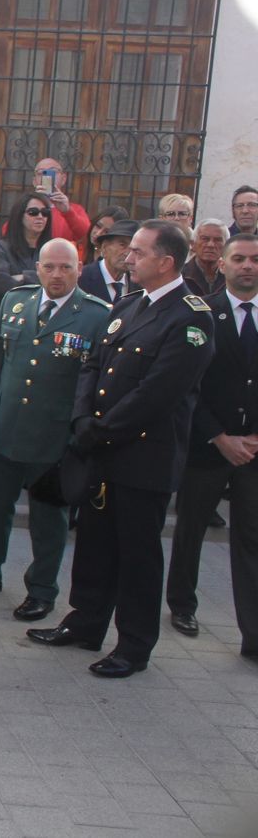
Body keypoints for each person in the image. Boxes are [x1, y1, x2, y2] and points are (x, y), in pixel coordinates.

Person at [29, 220, 214, 678]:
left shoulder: (191, 317)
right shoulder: (130, 304)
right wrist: (82, 419)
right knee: (95, 544)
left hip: (142, 456)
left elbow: (159, 392)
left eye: (137, 252)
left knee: (137, 554)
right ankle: (86, 622)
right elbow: (94, 364)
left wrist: (102, 429)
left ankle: (134, 643)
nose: (127, 259)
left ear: (166, 262)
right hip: (102, 447)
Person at [0, 238, 109, 621]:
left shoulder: (97, 316)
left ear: (79, 269)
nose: (56, 275)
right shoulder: (17, 301)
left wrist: (81, 438)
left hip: (54, 438)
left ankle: (42, 589)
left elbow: (96, 383)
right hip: (5, 427)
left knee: (49, 520)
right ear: (38, 268)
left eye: (65, 267)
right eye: (49, 266)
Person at [166, 233, 258, 655]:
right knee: (191, 530)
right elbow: (189, 385)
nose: (247, 266)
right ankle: (182, 603)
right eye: (238, 259)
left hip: (255, 452)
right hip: (208, 446)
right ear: (221, 264)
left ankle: (253, 635)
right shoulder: (203, 314)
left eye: (255, 260)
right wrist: (219, 436)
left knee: (251, 539)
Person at [0, 192, 54, 303]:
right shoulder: (1, 248)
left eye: (45, 212)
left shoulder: (52, 250)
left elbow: (57, 282)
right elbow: (0, 284)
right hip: (10, 311)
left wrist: (23, 277)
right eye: (33, 212)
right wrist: (39, 277)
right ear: (19, 215)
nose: (40, 217)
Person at [31, 157, 90, 257]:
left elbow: (86, 235)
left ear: (63, 179)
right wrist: (33, 205)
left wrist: (67, 212)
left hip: (62, 262)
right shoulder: (26, 208)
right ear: (35, 181)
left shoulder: (75, 210)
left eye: (53, 172)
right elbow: (9, 232)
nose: (47, 177)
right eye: (41, 173)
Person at [79, 218, 136, 304]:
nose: (127, 253)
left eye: (133, 248)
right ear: (104, 248)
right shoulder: (81, 277)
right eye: (122, 245)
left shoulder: (137, 284)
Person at [182, 218, 228, 299]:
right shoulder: (179, 276)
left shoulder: (232, 277)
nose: (211, 245)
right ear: (192, 244)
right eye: (205, 239)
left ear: (226, 246)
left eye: (218, 240)